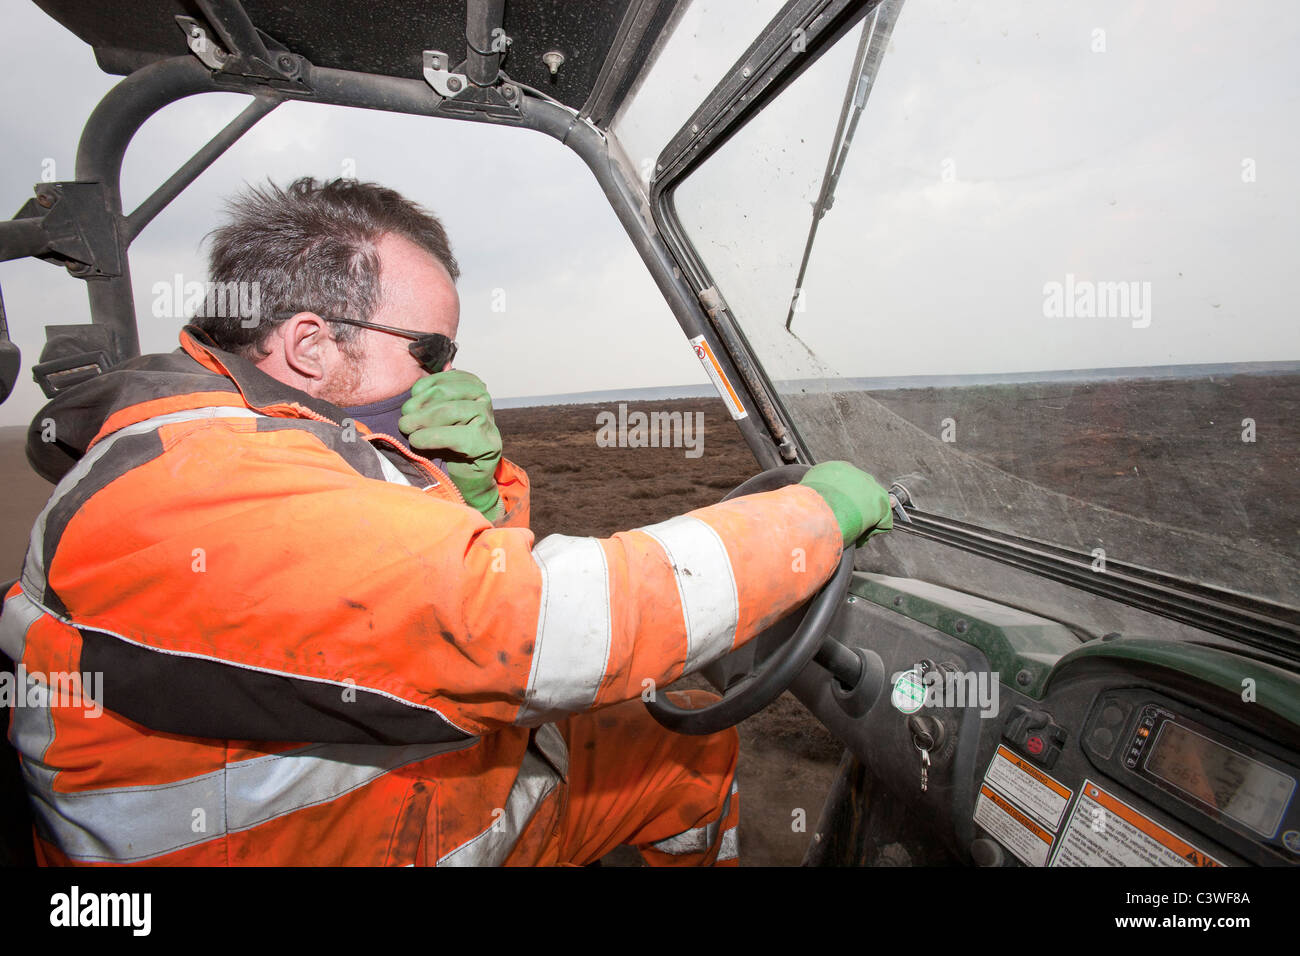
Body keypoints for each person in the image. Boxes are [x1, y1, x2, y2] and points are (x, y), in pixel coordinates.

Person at [1, 177, 892, 866]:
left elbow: (412, 583)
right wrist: (814, 514)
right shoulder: (204, 477)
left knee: (686, 742)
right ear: (311, 346)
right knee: (689, 755)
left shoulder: (276, 439)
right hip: (292, 841)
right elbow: (535, 624)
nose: (443, 378)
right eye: (428, 352)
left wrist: (469, 490)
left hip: (351, 786)